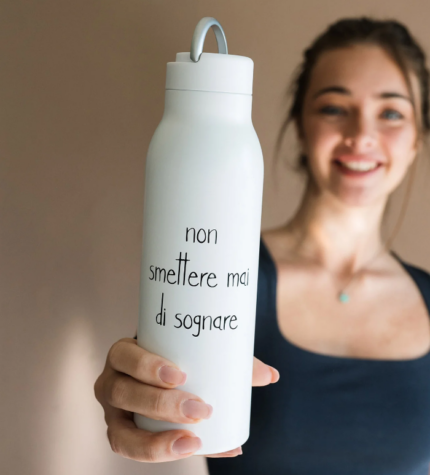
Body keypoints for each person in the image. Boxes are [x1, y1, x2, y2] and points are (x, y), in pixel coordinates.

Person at [94, 17, 430, 474]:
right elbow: (156, 378)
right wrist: (137, 389)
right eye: (334, 108)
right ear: (300, 126)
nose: (361, 135)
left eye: (391, 113)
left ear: (417, 138)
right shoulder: (223, 275)